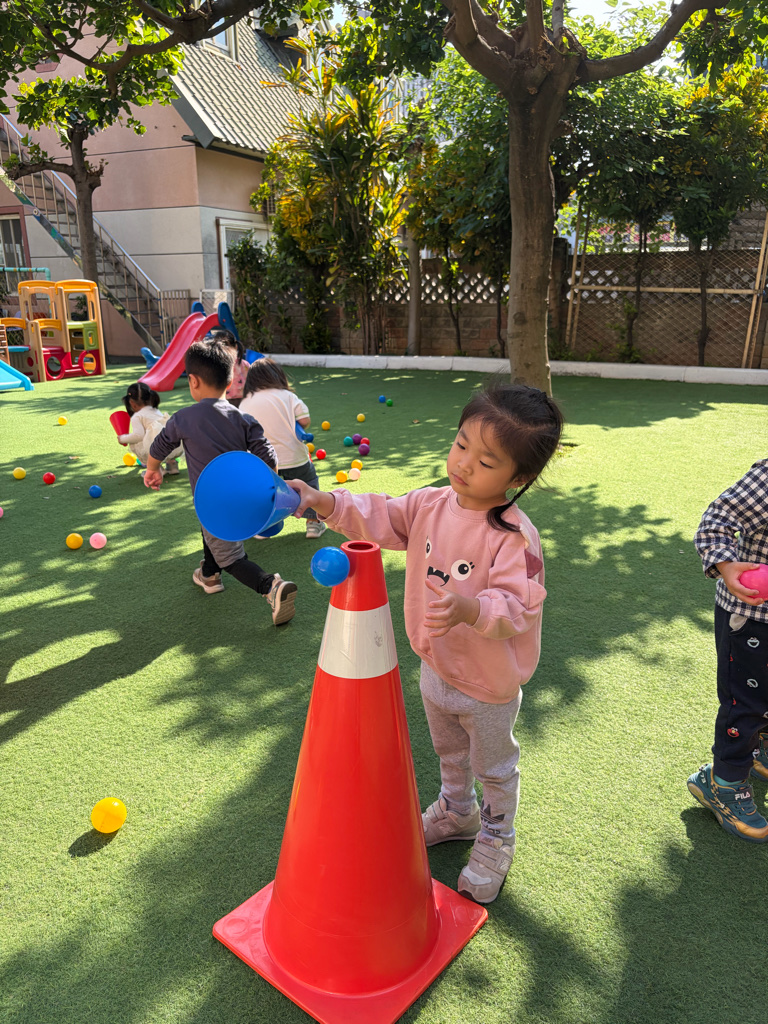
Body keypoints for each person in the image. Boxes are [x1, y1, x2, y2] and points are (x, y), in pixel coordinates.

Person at [287, 383, 563, 903]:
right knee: (449, 751)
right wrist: (325, 501)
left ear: (518, 478)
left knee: (493, 766)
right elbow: (380, 514)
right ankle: (458, 812)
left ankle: (496, 836)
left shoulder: (513, 536)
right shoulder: (429, 504)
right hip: (436, 666)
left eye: (486, 461)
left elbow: (520, 605)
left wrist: (472, 608)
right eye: (462, 445)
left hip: (488, 684)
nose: (464, 464)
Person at [143, 340, 297, 626]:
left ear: (193, 381)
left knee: (231, 557)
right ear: (230, 380)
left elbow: (160, 445)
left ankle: (271, 587)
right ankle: (210, 575)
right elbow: (269, 458)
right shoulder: (244, 419)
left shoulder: (183, 418)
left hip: (215, 502)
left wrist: (153, 469)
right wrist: (268, 490)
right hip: (240, 497)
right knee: (211, 529)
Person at [688, 460, 768, 842]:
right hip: (751, 619)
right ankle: (724, 782)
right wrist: (725, 563)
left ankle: (761, 749)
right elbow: (716, 520)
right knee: (746, 703)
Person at [240, 358, 326, 540]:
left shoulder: (245, 402)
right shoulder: (288, 396)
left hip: (263, 461)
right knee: (308, 484)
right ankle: (313, 523)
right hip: (294, 457)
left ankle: (264, 527)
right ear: (278, 376)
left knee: (265, 492)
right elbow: (304, 420)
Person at [118, 381, 182, 474]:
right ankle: (172, 465)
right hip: (173, 446)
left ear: (131, 402)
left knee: (137, 443)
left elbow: (138, 435)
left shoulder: (137, 416)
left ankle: (157, 469)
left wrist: (122, 438)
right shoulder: (155, 411)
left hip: (157, 449)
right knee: (156, 436)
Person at [212, 330, 249, 406]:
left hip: (224, 402)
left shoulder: (214, 366)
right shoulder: (245, 364)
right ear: (236, 347)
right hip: (243, 401)